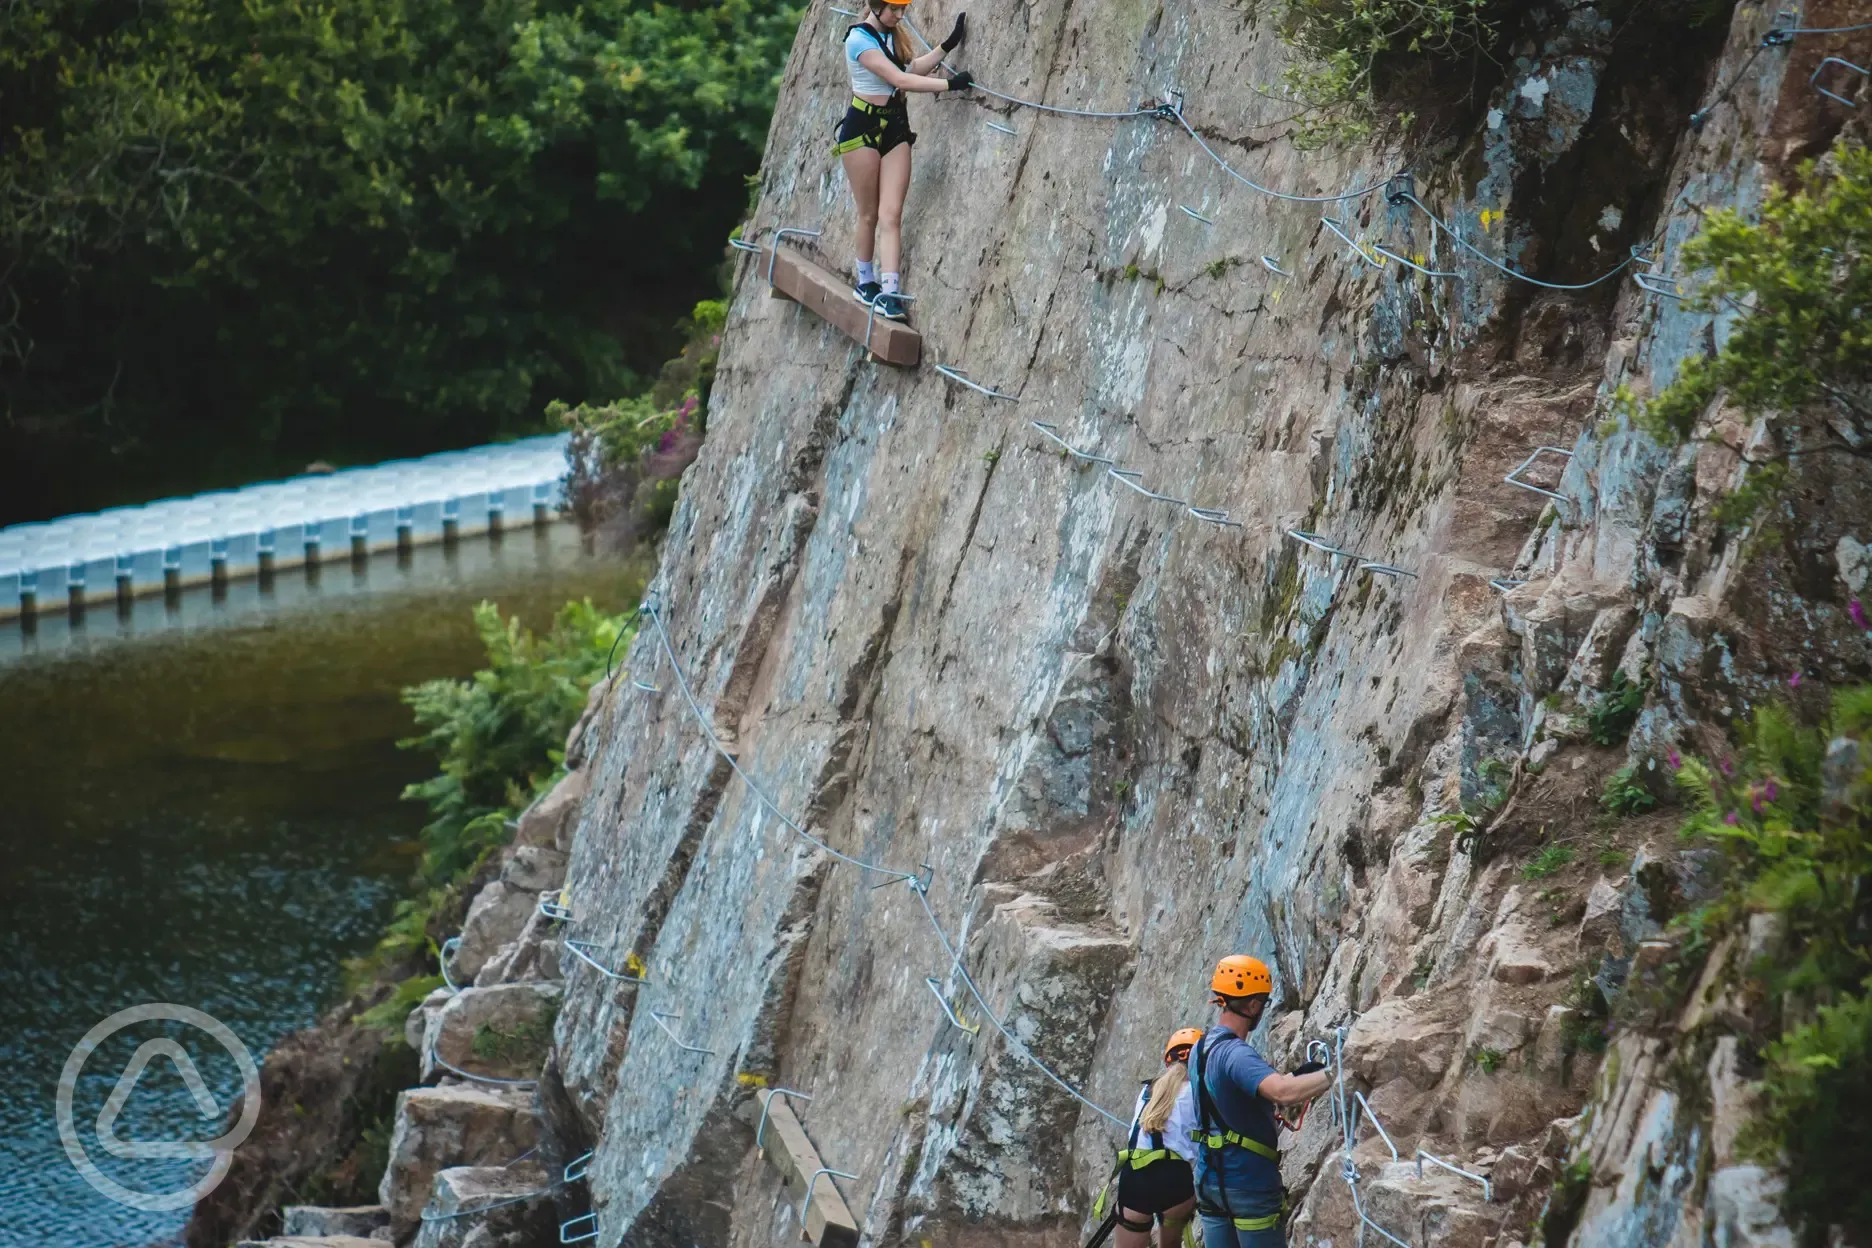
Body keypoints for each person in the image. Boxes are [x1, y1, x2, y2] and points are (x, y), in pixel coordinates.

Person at [834, 0, 972, 322]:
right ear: (876, 6)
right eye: (894, 10)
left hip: (896, 128)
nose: (899, 16)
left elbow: (910, 70)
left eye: (902, 10)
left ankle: (890, 292)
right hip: (862, 131)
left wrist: (946, 46)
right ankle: (865, 281)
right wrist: (950, 85)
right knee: (868, 214)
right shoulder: (859, 40)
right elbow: (899, 81)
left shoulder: (892, 37)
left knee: (891, 214)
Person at [1188, 956, 1332, 1247]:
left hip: (1210, 1183)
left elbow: (1240, 1092)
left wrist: (1295, 1075)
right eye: (1263, 1004)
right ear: (1252, 1005)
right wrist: (1338, 1071)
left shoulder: (1200, 1048)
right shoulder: (1236, 1054)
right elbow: (1282, 1093)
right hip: (1248, 1184)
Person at [1113, 1027, 1205, 1248]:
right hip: (1174, 1179)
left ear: (1167, 1061)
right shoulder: (1198, 1092)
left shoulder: (1146, 1091)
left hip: (1135, 1176)